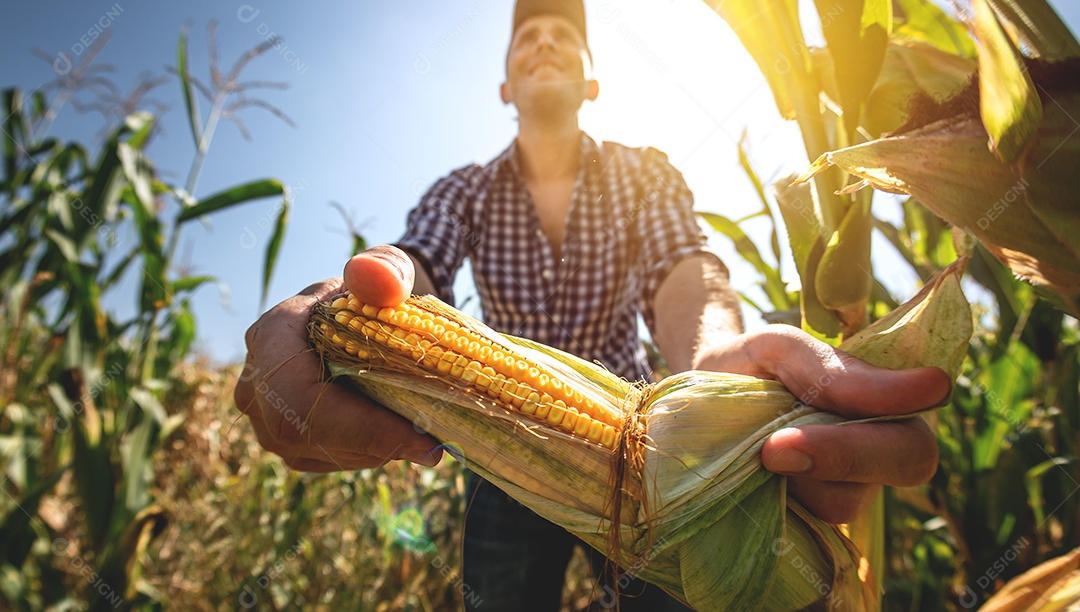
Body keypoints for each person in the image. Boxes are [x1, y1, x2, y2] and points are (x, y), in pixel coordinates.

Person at [235, 0, 948, 609]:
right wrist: (355, 305)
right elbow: (419, 261)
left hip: (644, 460)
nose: (543, 40)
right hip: (503, 469)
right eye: (525, 38)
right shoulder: (465, 190)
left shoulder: (642, 174)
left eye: (564, 35)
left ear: (593, 82)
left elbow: (683, 268)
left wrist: (711, 364)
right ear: (505, 86)